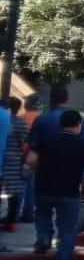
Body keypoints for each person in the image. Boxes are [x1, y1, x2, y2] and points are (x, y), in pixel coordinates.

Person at [25, 109, 84, 260]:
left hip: (44, 189)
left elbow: (30, 160)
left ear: (61, 125)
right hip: (69, 192)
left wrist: (42, 168)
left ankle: (44, 237)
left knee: (43, 215)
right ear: (78, 126)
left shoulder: (45, 139)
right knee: (67, 230)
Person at [1, 97, 30, 232]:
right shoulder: (19, 122)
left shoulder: (5, 119)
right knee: (13, 193)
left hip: (5, 159)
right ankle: (11, 221)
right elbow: (26, 142)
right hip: (13, 161)